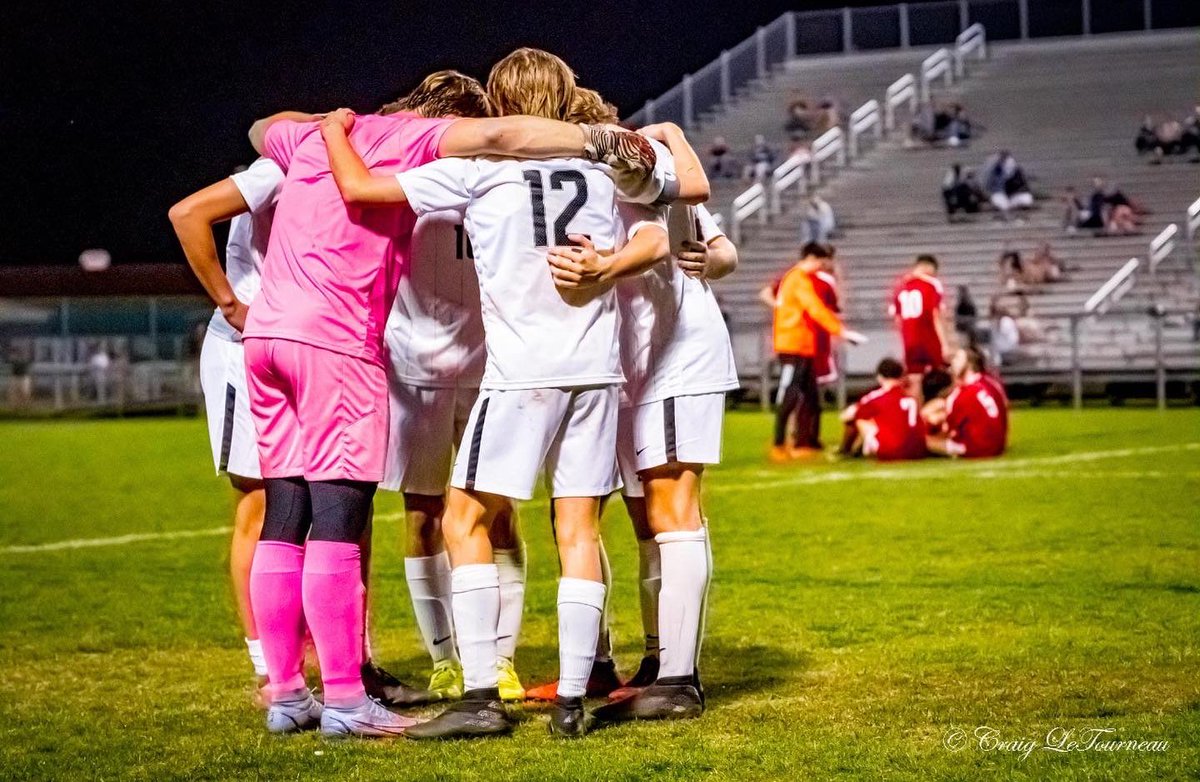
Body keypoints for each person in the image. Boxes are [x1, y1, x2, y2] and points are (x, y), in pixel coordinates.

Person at [242, 68, 658, 739]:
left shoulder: (357, 145)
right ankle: (565, 698)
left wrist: (329, 124)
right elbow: (667, 217)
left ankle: (316, 691)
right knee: (562, 528)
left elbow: (272, 137)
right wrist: (604, 145)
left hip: (279, 337)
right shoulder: (571, 163)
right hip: (577, 365)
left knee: (313, 516)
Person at [380, 201, 527, 703]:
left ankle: (501, 659)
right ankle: (444, 661)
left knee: (498, 512)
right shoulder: (404, 182)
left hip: (492, 369)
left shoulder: (494, 176)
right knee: (421, 515)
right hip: (414, 370)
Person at [168, 157, 283, 708]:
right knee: (259, 506)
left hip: (301, 347)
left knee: (318, 506)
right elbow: (187, 212)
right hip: (246, 351)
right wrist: (232, 303)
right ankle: (268, 668)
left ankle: (332, 655)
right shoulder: (278, 168)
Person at [770, 242, 866, 461]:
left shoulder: (792, 278)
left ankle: (808, 441)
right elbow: (815, 308)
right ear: (812, 258)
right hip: (793, 345)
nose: (822, 268)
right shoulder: (798, 280)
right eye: (821, 263)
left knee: (811, 396)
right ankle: (779, 444)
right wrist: (841, 331)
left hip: (802, 344)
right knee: (791, 394)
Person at [926, 347, 1008, 458]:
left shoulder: (962, 393)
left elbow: (948, 431)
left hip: (978, 448)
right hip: (999, 444)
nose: (953, 362)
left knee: (923, 440)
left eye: (958, 358)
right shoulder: (992, 383)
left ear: (969, 363)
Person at [838, 358, 926, 461]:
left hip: (892, 451)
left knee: (859, 418)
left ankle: (846, 451)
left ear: (880, 377)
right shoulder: (911, 398)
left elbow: (846, 416)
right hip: (919, 450)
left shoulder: (877, 397)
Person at [890, 254, 950, 402]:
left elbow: (897, 319)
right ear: (929, 267)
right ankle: (938, 417)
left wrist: (905, 339)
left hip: (910, 342)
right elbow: (936, 315)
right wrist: (945, 344)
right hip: (929, 339)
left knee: (914, 381)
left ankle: (915, 418)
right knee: (943, 379)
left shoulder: (901, 287)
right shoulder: (932, 284)